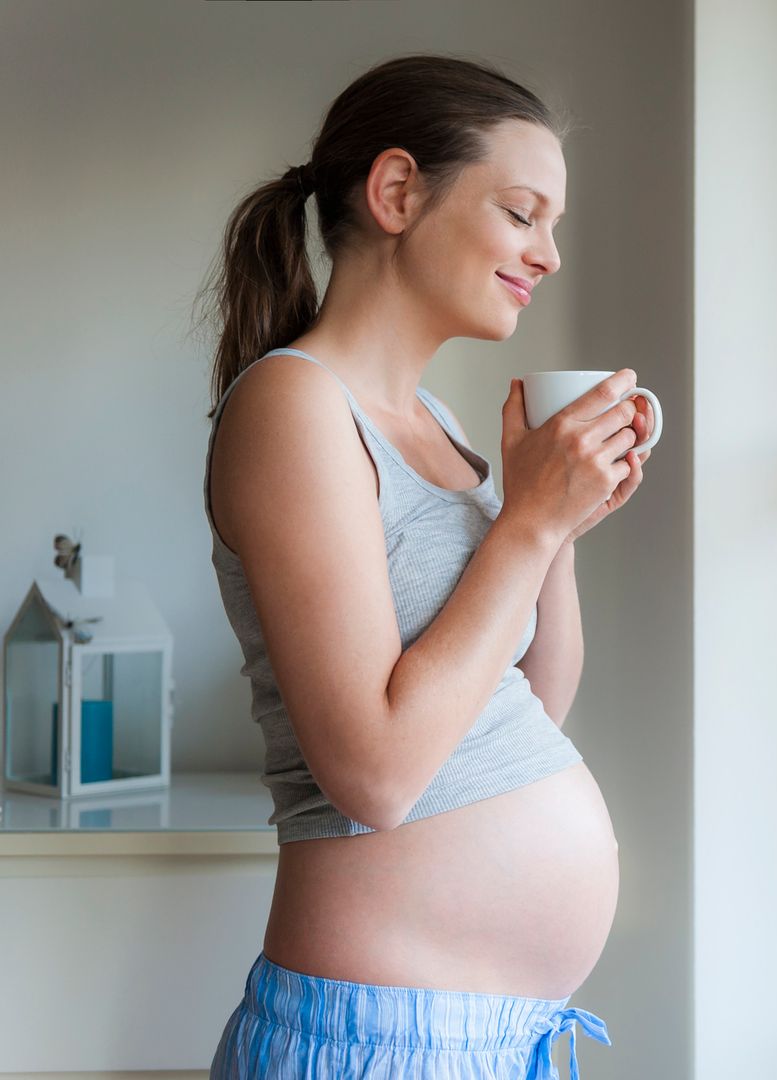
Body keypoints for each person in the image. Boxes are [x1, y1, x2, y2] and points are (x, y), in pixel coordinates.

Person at [195, 52, 653, 1079]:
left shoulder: (439, 428)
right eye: (524, 213)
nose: (550, 255)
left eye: (555, 227)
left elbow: (527, 706)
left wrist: (559, 526)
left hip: (499, 1040)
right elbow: (377, 772)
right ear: (398, 191)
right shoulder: (293, 407)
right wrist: (525, 526)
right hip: (376, 1038)